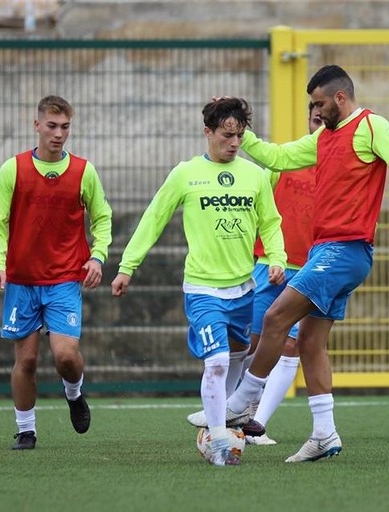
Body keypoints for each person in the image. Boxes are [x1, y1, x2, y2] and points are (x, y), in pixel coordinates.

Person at [191, 65, 389, 463]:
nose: (316, 111)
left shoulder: (371, 127)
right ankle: (324, 433)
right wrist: (239, 129)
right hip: (327, 252)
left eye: (319, 103)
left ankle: (241, 403)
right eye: (312, 105)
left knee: (275, 318)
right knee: (309, 342)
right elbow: (280, 156)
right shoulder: (324, 138)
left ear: (340, 98)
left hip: (345, 250)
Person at [111, 98, 286, 466]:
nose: (235, 142)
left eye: (239, 135)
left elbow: (270, 221)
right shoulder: (185, 173)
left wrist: (277, 258)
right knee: (218, 362)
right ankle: (219, 440)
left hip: (244, 287)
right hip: (203, 288)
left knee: (239, 355)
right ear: (208, 132)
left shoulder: (255, 175)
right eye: (227, 135)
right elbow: (154, 217)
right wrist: (128, 266)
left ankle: (218, 418)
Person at [0, 95, 113, 450]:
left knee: (65, 357)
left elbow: (102, 217)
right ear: (37, 125)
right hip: (23, 280)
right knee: (25, 359)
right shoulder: (14, 168)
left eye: (65, 127)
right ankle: (26, 430)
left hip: (63, 280)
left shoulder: (83, 171)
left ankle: (73, 393)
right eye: (52, 126)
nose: (59, 134)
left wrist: (98, 257)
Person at [240, 104, 323, 446]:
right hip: (268, 266)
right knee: (253, 342)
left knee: (291, 345)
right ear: (308, 121)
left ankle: (256, 424)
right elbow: (262, 212)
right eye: (316, 120)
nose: (321, 127)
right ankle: (228, 408)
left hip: (309, 269)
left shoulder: (339, 169)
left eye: (326, 121)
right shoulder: (284, 162)